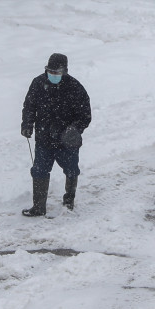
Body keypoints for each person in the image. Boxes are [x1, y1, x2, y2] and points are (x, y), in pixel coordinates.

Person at [20, 53, 91, 216]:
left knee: (71, 170)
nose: (53, 75)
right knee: (39, 171)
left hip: (67, 141)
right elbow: (29, 106)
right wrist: (27, 124)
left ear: (64, 71)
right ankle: (38, 207)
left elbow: (85, 115)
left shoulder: (75, 87)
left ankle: (69, 201)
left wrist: (74, 129)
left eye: (56, 73)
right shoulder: (38, 83)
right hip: (44, 139)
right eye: (50, 72)